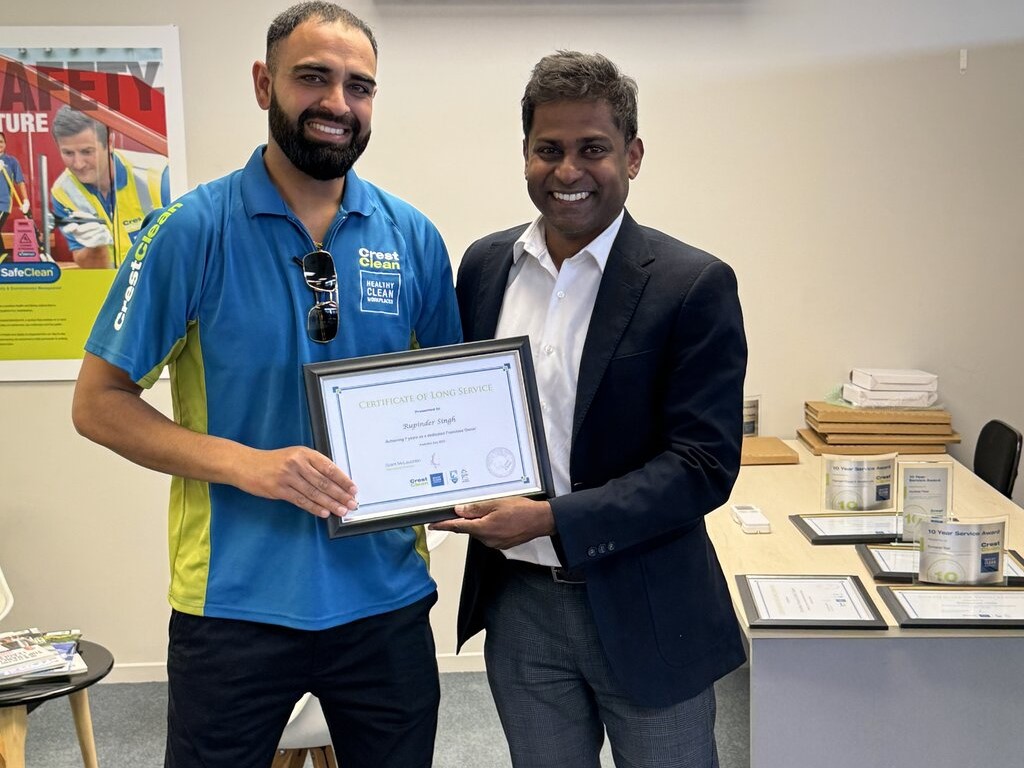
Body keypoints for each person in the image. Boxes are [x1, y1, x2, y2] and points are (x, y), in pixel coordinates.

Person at [72, 3, 460, 766]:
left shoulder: (412, 237)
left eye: (359, 86)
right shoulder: (191, 229)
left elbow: (445, 399)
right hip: (234, 604)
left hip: (385, 600)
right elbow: (98, 403)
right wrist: (251, 466)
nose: (337, 103)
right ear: (263, 84)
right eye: (313, 78)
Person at [431, 51, 748, 768]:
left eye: (592, 148)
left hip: (649, 607)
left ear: (632, 156)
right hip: (519, 605)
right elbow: (456, 409)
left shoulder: (692, 283)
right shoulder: (485, 267)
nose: (567, 170)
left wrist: (553, 519)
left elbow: (703, 465)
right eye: (549, 149)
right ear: (525, 155)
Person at [49, 105, 170, 268]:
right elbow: (91, 266)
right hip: (110, 282)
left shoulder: (159, 176)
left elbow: (187, 248)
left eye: (87, 151)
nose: (78, 164)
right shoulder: (63, 191)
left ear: (110, 142)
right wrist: (96, 247)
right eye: (68, 153)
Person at [0, 131, 30, 260]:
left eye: (1, 142)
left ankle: (3, 256)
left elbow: (20, 181)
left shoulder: (11, 161)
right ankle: (3, 257)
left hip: (3, 203)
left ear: (5, 144)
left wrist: (25, 200)